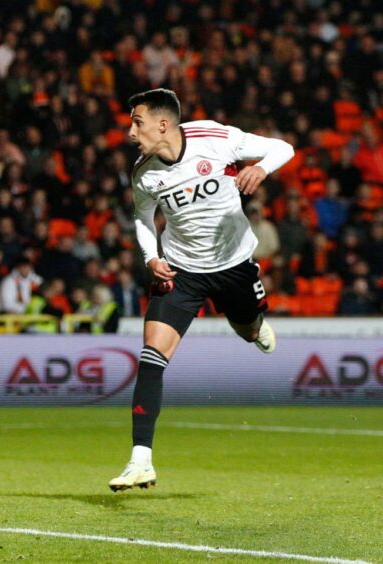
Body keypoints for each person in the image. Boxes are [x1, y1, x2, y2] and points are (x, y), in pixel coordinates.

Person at [108, 89, 294, 492]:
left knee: (247, 329)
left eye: (136, 121)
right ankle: (141, 460)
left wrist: (260, 169)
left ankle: (253, 325)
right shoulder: (145, 172)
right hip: (182, 271)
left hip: (233, 266)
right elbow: (142, 218)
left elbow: (284, 148)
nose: (130, 131)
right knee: (151, 357)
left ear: (163, 124)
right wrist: (149, 258)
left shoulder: (215, 137)